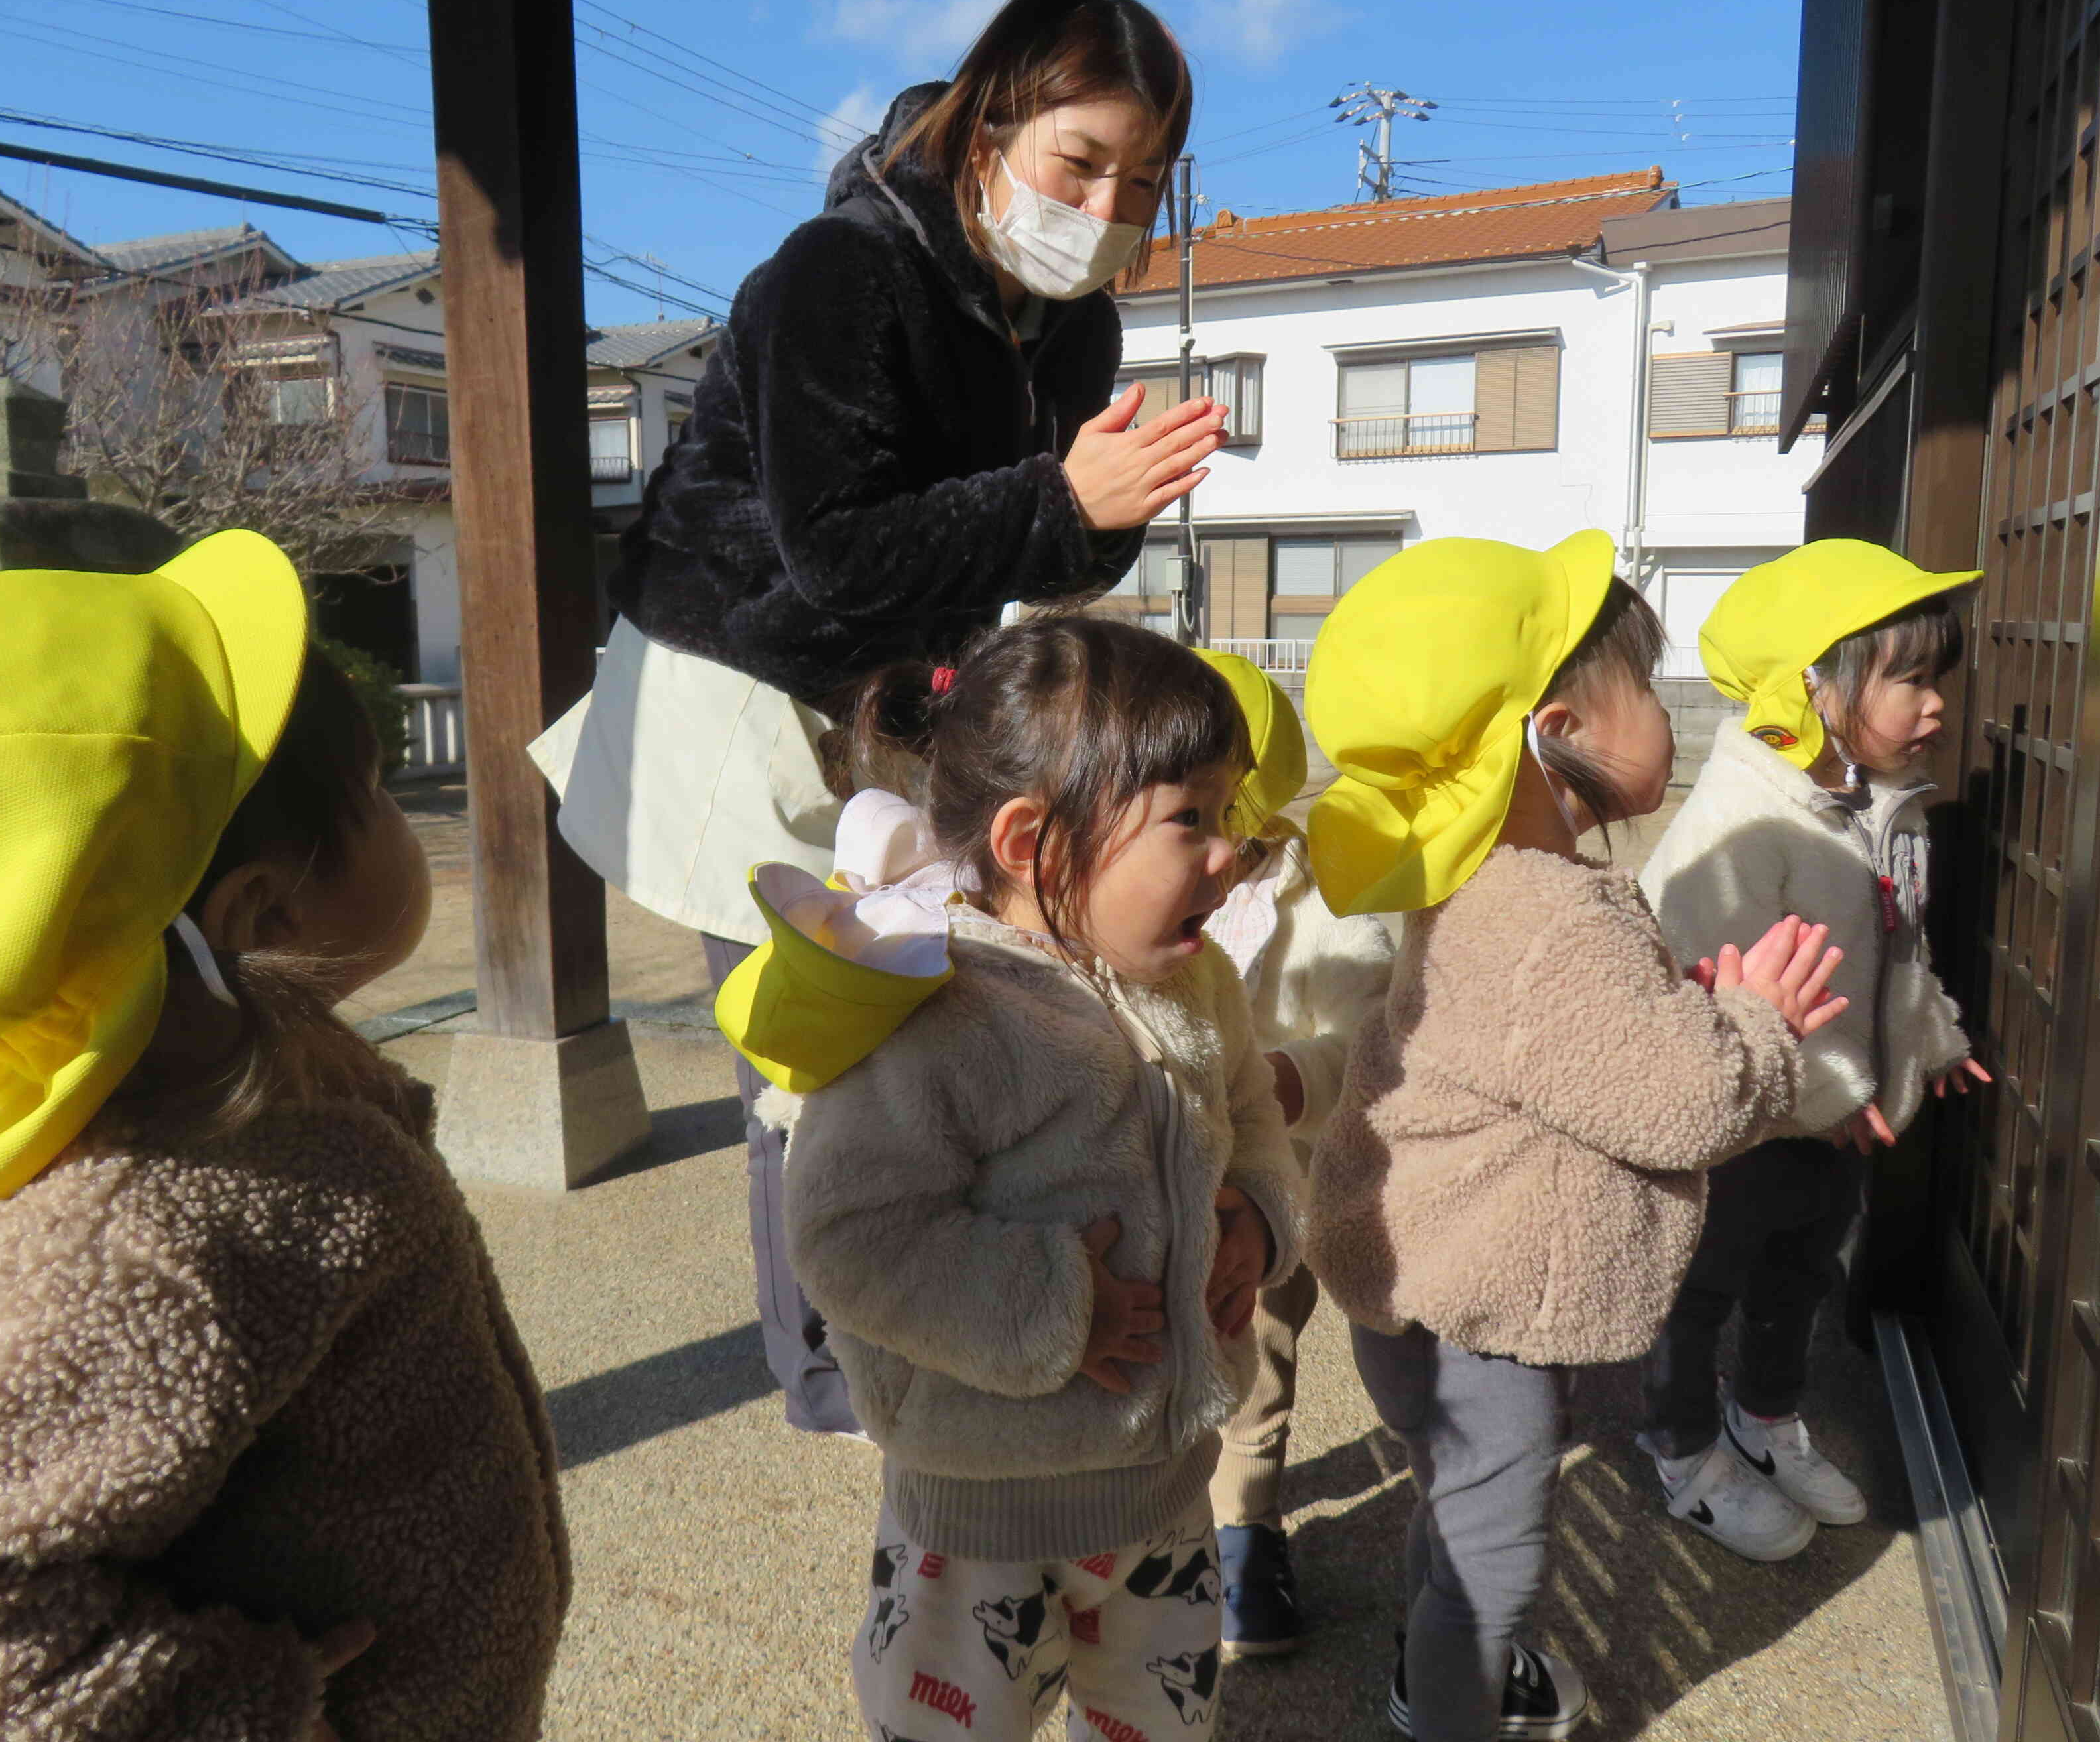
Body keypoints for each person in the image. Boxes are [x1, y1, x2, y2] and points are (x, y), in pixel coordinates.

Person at [534, 0, 1222, 1438]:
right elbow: (833, 551)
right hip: (736, 683)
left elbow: (1050, 550)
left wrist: (1101, 512)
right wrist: (1056, 497)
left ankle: (907, 1307)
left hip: (887, 693)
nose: (1110, 208)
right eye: (1081, 161)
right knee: (814, 1044)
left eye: (1143, 181)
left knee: (910, 1013)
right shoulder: (839, 275)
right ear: (988, 133)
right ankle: (836, 1374)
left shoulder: (1073, 325)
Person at [0, 533, 569, 1741]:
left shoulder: (236, 1112)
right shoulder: (144, 1228)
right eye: (386, 793)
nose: (410, 818)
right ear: (260, 913)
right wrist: (247, 1709)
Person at [1302, 530, 1850, 1742]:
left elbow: (1586, 1063)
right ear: (1562, 731)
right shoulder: (1553, 914)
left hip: (1425, 1288)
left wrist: (1685, 1017)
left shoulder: (1484, 881)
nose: (1665, 711)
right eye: (1647, 689)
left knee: (1457, 1519)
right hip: (1476, 1323)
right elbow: (1686, 1107)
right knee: (1497, 1561)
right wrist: (1755, 1030)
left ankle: (1432, 1666)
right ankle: (1453, 1706)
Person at [755, 617, 1304, 1742]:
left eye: (1232, 814)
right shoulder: (943, 1019)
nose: (1230, 854)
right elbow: (849, 1230)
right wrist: (1059, 1305)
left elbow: (1245, 1107)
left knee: (1162, 1720)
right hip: (979, 1508)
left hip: (1161, 1490)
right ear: (1031, 842)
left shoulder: (1200, 988)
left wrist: (1255, 1210)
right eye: (1189, 819)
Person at [1635, 540, 1987, 1560]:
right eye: (1909, 678)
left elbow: (1898, 958)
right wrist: (1830, 1096)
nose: (1935, 707)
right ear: (1816, 690)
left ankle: (1765, 1417)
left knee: (1800, 1275)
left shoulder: (1885, 804)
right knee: (1696, 1291)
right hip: (1743, 1127)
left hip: (1836, 1124)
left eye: (1936, 679)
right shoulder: (1739, 823)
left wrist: (1935, 1038)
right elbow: (1698, 992)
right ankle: (1683, 1448)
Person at [1190, 649, 1397, 1658]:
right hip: (1144, 1184)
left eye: (1205, 811)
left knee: (1257, 1361)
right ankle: (1149, 1518)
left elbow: (1366, 1033)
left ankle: (1245, 1535)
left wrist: (1288, 1079)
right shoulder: (1106, 881)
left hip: (1269, 1189)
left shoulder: (1324, 901)